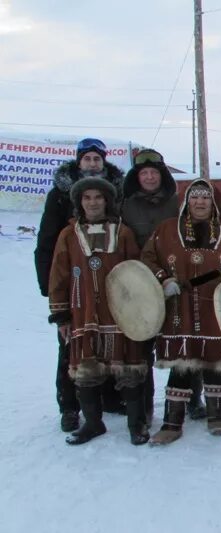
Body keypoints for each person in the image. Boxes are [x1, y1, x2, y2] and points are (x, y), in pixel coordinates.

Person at [142, 179, 221, 444]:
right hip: (178, 309)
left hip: (216, 309)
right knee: (181, 365)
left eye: (206, 197)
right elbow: (147, 258)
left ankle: (217, 417)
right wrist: (163, 280)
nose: (200, 202)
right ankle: (172, 423)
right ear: (186, 201)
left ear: (214, 202)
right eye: (195, 197)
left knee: (214, 362)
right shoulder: (166, 230)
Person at [48, 177, 148, 445]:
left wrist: (140, 309)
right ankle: (93, 424)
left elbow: (136, 273)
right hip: (83, 312)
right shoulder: (68, 235)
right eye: (87, 198)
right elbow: (58, 276)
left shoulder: (123, 233)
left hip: (119, 312)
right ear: (80, 202)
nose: (93, 202)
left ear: (107, 201)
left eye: (98, 197)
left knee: (128, 369)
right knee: (86, 371)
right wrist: (61, 315)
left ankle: (136, 425)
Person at [35, 137, 125, 432]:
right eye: (86, 159)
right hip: (75, 280)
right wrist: (51, 290)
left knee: (109, 340)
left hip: (108, 279)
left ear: (104, 162)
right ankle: (70, 406)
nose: (92, 164)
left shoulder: (117, 192)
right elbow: (47, 242)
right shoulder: (60, 195)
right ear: (78, 162)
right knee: (71, 344)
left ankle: (110, 398)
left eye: (97, 159)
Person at [121, 149, 206, 424]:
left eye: (154, 173)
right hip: (139, 285)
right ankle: (144, 407)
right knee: (141, 347)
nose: (148, 177)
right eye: (144, 173)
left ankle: (192, 399)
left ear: (162, 176)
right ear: (137, 177)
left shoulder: (178, 203)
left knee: (185, 341)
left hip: (176, 284)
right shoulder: (124, 205)